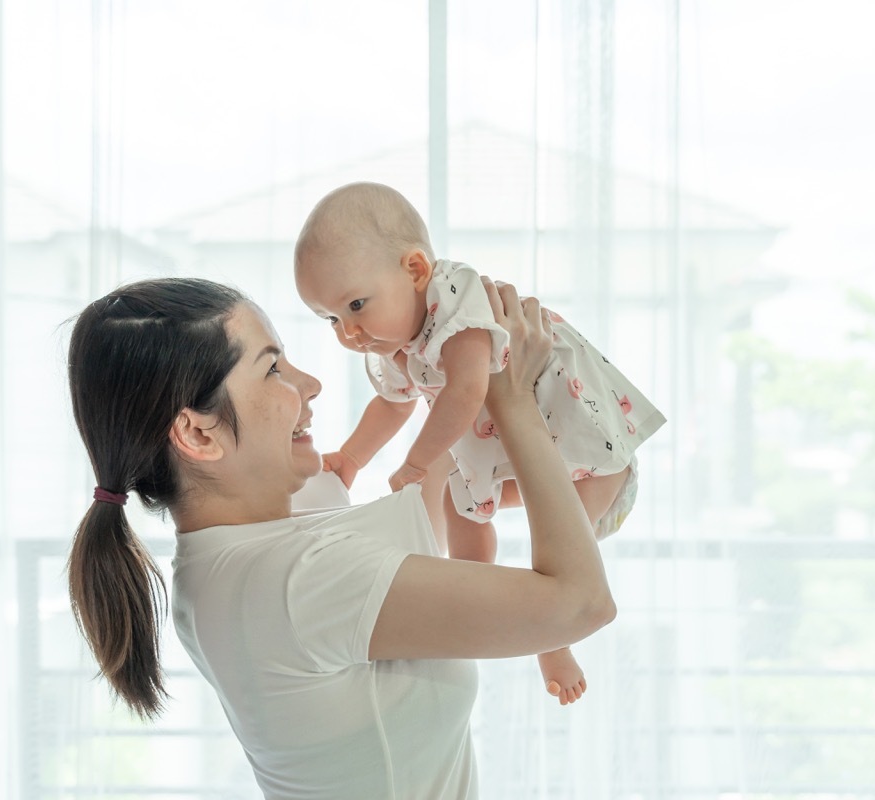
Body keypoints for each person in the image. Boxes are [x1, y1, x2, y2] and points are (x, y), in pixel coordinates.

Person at [66, 276, 614, 799]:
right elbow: (581, 604)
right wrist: (514, 402)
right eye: (273, 368)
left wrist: (459, 362)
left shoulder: (251, 534)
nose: (310, 384)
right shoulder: (292, 581)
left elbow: (424, 492)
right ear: (197, 432)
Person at [293, 182, 666, 704]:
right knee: (461, 511)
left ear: (416, 270)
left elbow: (468, 391)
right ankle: (475, 598)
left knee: (558, 539)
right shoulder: (392, 342)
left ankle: (551, 637)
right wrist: (354, 456)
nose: (348, 332)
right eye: (331, 317)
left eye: (355, 305)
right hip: (515, 451)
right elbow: (394, 404)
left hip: (588, 448)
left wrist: (418, 462)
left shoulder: (458, 301)